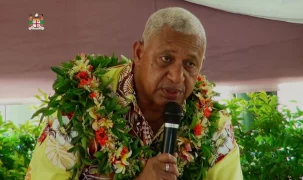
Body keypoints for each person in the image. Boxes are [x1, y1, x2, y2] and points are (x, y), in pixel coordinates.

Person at [25, 7, 243, 180]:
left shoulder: (214, 126)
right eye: (166, 58)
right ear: (139, 53)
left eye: (190, 64)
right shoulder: (79, 108)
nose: (177, 76)